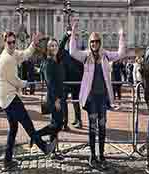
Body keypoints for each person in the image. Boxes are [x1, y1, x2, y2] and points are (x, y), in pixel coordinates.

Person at [69, 21, 126, 168]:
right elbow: (72, 52)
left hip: (103, 98)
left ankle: (101, 155)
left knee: (102, 127)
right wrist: (73, 34)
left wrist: (121, 36)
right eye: (92, 41)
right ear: (90, 43)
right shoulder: (86, 56)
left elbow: (121, 53)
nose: (94, 44)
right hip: (91, 98)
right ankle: (92, 155)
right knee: (93, 127)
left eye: (96, 41)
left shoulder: (106, 55)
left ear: (100, 42)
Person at [0, 32, 56, 169]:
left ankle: (7, 161)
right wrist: (28, 83)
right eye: (9, 42)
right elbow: (15, 81)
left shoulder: (12, 54)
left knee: (13, 128)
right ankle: (45, 148)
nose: (12, 45)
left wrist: (34, 43)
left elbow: (24, 54)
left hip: (6, 98)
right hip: (10, 98)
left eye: (13, 42)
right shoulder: (7, 59)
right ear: (4, 43)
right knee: (28, 125)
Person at [38, 38, 65, 160]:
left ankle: (52, 152)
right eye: (51, 46)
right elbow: (50, 84)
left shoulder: (56, 59)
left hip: (59, 96)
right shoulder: (49, 62)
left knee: (55, 123)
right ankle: (36, 135)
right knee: (58, 124)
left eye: (55, 45)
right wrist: (56, 100)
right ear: (48, 48)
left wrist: (67, 35)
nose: (54, 47)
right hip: (54, 98)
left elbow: (62, 46)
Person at [59, 31, 83, 129]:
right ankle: (65, 123)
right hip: (65, 81)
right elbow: (60, 48)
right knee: (63, 101)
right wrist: (66, 36)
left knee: (75, 101)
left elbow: (83, 68)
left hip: (76, 82)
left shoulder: (79, 54)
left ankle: (78, 120)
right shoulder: (64, 54)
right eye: (70, 42)